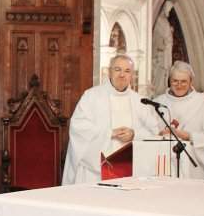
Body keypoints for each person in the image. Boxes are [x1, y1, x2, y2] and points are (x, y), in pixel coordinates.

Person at [62, 54, 159, 185]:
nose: (122, 75)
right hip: (95, 172)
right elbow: (78, 126)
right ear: (109, 72)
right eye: (117, 69)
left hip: (130, 171)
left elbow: (154, 132)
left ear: (132, 75)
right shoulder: (92, 96)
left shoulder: (140, 101)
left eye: (127, 71)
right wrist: (109, 133)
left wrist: (134, 134)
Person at [152, 61, 204, 179]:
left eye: (184, 81)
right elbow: (148, 132)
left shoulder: (203, 103)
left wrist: (188, 136)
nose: (179, 85)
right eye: (175, 81)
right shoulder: (158, 102)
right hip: (165, 163)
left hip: (194, 166)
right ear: (169, 81)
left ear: (191, 82)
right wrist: (159, 134)